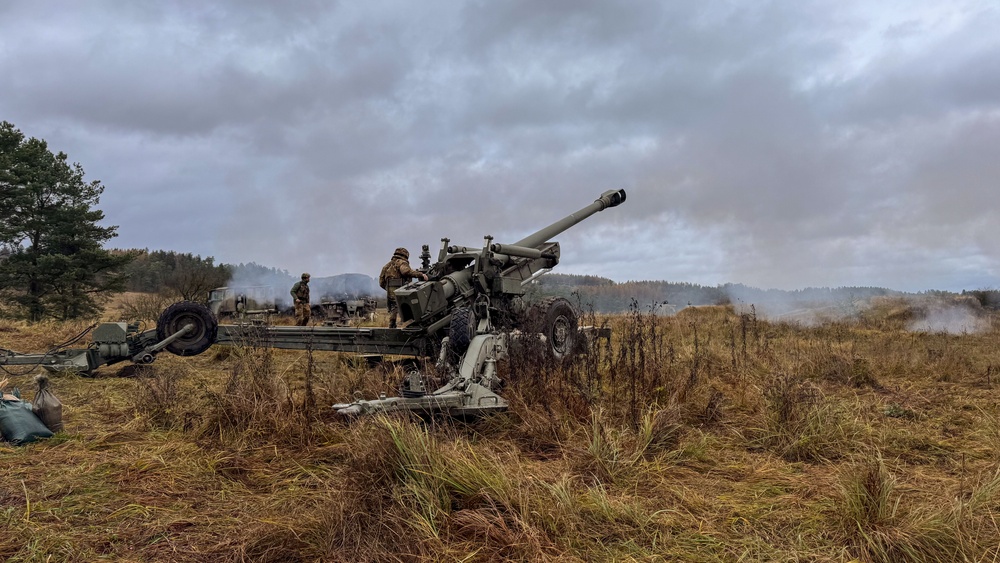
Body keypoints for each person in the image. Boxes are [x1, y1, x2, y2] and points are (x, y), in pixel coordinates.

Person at [379, 247, 428, 328]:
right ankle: (411, 325)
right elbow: (406, 271)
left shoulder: (386, 266)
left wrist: (388, 289)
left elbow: (381, 282)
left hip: (390, 290)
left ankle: (392, 324)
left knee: (393, 308)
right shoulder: (402, 263)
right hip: (401, 290)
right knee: (410, 306)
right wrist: (421, 274)